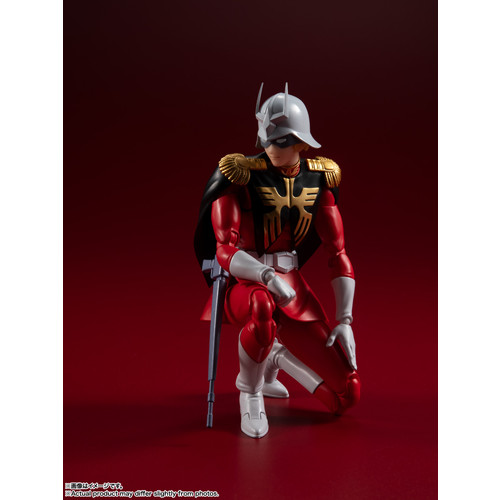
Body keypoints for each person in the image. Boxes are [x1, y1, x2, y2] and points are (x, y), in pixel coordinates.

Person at [194, 84, 360, 438]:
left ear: (302, 143)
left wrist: (345, 320)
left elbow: (337, 253)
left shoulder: (319, 177)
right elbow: (224, 249)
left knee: (347, 394)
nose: (271, 149)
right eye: (267, 140)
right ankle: (250, 391)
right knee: (261, 306)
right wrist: (265, 275)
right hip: (246, 280)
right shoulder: (241, 175)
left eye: (282, 142)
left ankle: (276, 357)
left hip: (292, 286)